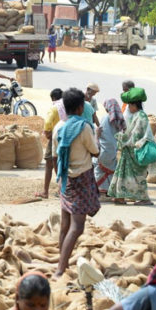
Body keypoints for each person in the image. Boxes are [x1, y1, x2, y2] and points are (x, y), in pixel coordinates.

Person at [53, 88, 100, 278]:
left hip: (66, 179)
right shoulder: (84, 127)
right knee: (77, 227)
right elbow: (95, 151)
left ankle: (60, 259)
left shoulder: (59, 128)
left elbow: (56, 155)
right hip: (81, 178)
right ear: (81, 107)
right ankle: (60, 269)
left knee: (65, 224)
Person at [107, 87, 156, 206]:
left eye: (130, 105)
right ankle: (120, 196)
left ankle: (144, 198)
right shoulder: (136, 115)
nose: (129, 108)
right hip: (129, 150)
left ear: (135, 105)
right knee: (123, 173)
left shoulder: (141, 116)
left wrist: (123, 140)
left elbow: (136, 135)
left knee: (137, 176)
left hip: (136, 150)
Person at [94, 99, 126, 198]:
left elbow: (101, 133)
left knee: (99, 169)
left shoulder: (105, 119)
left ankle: (101, 191)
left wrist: (96, 135)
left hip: (104, 150)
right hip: (113, 150)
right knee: (110, 171)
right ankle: (108, 191)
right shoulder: (118, 120)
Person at [39, 88, 66, 199]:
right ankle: (64, 189)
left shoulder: (54, 107)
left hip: (55, 137)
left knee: (49, 164)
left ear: (53, 98)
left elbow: (48, 123)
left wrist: (47, 133)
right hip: (66, 137)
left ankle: (46, 191)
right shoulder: (67, 106)